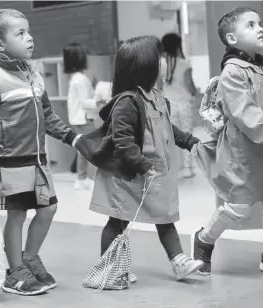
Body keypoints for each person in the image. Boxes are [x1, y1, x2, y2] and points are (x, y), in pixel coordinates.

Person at [0, 9, 80, 295]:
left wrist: (72, 137)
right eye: (20, 33)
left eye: (28, 31)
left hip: (38, 160)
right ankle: (15, 270)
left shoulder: (34, 75)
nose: (29, 38)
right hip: (10, 162)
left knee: (49, 209)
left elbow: (48, 114)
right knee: (17, 215)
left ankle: (30, 257)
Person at [81, 36, 204, 281]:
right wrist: (142, 165)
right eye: (158, 57)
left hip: (151, 175)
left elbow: (169, 129)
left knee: (165, 216)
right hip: (127, 175)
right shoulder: (127, 102)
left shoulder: (157, 97)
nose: (163, 62)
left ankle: (179, 261)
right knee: (117, 222)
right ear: (144, 64)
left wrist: (191, 142)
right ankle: (109, 269)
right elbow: (122, 140)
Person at [191, 7, 263, 275]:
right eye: (250, 25)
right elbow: (243, 112)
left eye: (259, 23)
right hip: (243, 151)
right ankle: (205, 237)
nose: (260, 28)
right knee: (239, 205)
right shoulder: (232, 72)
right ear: (231, 39)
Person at [161, 33, 199, 178]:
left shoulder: (161, 64)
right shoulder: (185, 64)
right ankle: (188, 169)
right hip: (184, 103)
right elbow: (189, 84)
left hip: (168, 104)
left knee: (171, 136)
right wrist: (196, 93)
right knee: (186, 135)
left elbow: (158, 86)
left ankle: (173, 168)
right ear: (178, 45)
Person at [63, 42, 96, 190]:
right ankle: (86, 178)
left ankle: (82, 178)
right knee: (92, 148)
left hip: (77, 118)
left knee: (83, 149)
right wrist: (101, 100)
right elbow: (85, 102)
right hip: (83, 118)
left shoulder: (75, 78)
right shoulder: (81, 79)